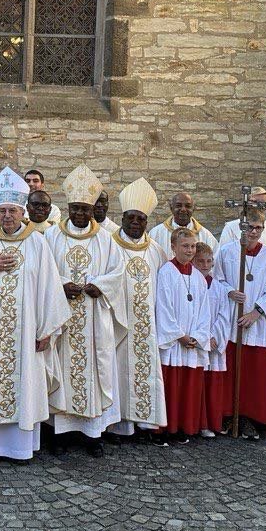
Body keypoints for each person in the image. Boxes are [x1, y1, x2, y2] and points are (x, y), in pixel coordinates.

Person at [0, 167, 70, 463]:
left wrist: (46, 330)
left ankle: (18, 448)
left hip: (27, 331)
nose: (7, 216)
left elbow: (49, 288)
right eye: (4, 210)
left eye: (13, 210)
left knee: (23, 382)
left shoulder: (37, 243)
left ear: (23, 212)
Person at [45, 164, 123, 456]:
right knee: (62, 370)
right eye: (75, 208)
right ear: (68, 206)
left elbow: (118, 273)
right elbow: (44, 272)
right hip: (62, 317)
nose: (79, 214)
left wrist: (100, 285)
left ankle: (93, 435)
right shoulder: (52, 237)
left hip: (94, 317)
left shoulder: (105, 239)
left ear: (93, 209)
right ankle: (60, 435)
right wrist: (61, 285)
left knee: (95, 371)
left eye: (84, 210)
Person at [95, 177, 168, 439]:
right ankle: (117, 423)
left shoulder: (157, 251)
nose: (136, 223)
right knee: (116, 370)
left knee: (145, 370)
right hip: (116, 322)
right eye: (131, 218)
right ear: (122, 217)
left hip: (146, 324)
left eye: (141, 219)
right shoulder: (107, 244)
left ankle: (145, 422)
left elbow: (165, 288)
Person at [212, 207, 266, 439]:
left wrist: (257, 312)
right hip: (232, 320)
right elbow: (216, 280)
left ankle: (251, 418)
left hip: (256, 323)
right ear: (240, 227)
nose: (253, 232)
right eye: (249, 227)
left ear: (263, 229)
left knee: (254, 374)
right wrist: (230, 292)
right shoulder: (226, 252)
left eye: (258, 228)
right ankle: (228, 414)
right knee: (231, 370)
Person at [155, 228, 210, 443]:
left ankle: (181, 427)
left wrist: (197, 336)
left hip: (191, 344)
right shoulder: (166, 272)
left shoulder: (198, 277)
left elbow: (205, 311)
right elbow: (164, 307)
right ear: (173, 247)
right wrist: (179, 336)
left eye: (193, 246)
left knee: (187, 388)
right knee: (171, 386)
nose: (189, 250)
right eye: (185, 246)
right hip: (174, 343)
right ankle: (163, 428)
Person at [195, 241, 231, 438]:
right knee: (198, 385)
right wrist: (204, 338)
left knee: (212, 386)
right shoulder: (191, 284)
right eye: (200, 261)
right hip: (199, 343)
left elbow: (225, 316)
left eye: (209, 261)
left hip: (215, 343)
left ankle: (212, 422)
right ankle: (199, 423)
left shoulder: (218, 288)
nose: (205, 265)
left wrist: (215, 337)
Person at [219, 187, 266, 256]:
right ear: (246, 203)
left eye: (263, 203)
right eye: (255, 202)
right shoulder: (231, 228)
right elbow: (223, 256)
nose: (259, 206)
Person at [149, 191, 219, 257]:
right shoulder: (156, 234)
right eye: (178, 205)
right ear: (171, 208)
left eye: (188, 206)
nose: (183, 209)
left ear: (193, 209)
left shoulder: (206, 236)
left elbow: (214, 262)